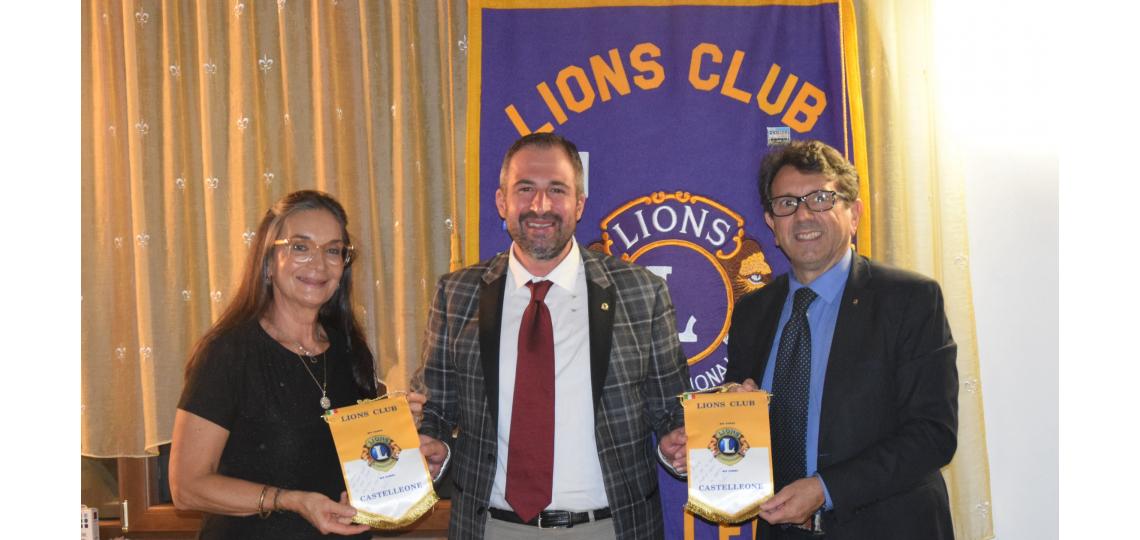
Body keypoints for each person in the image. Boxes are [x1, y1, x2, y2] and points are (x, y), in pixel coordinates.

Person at [415, 133, 690, 539]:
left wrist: (677, 443)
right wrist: (431, 445)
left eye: (557, 190)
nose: (540, 205)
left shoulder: (642, 293)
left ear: (579, 204)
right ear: (501, 201)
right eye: (525, 189)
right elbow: (435, 408)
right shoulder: (456, 294)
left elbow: (672, 410)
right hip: (492, 527)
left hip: (609, 528)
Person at [725, 140, 958, 539]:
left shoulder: (910, 300)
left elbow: (932, 434)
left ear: (855, 214)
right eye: (786, 204)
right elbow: (741, 424)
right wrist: (718, 426)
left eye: (820, 199)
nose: (803, 215)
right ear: (771, 224)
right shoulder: (752, 312)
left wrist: (825, 489)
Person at [170, 190, 423, 538]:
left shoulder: (350, 350)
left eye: (333, 250)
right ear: (268, 262)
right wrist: (289, 501)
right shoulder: (229, 353)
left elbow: (359, 470)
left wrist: (401, 439)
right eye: (300, 247)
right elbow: (187, 487)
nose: (319, 264)